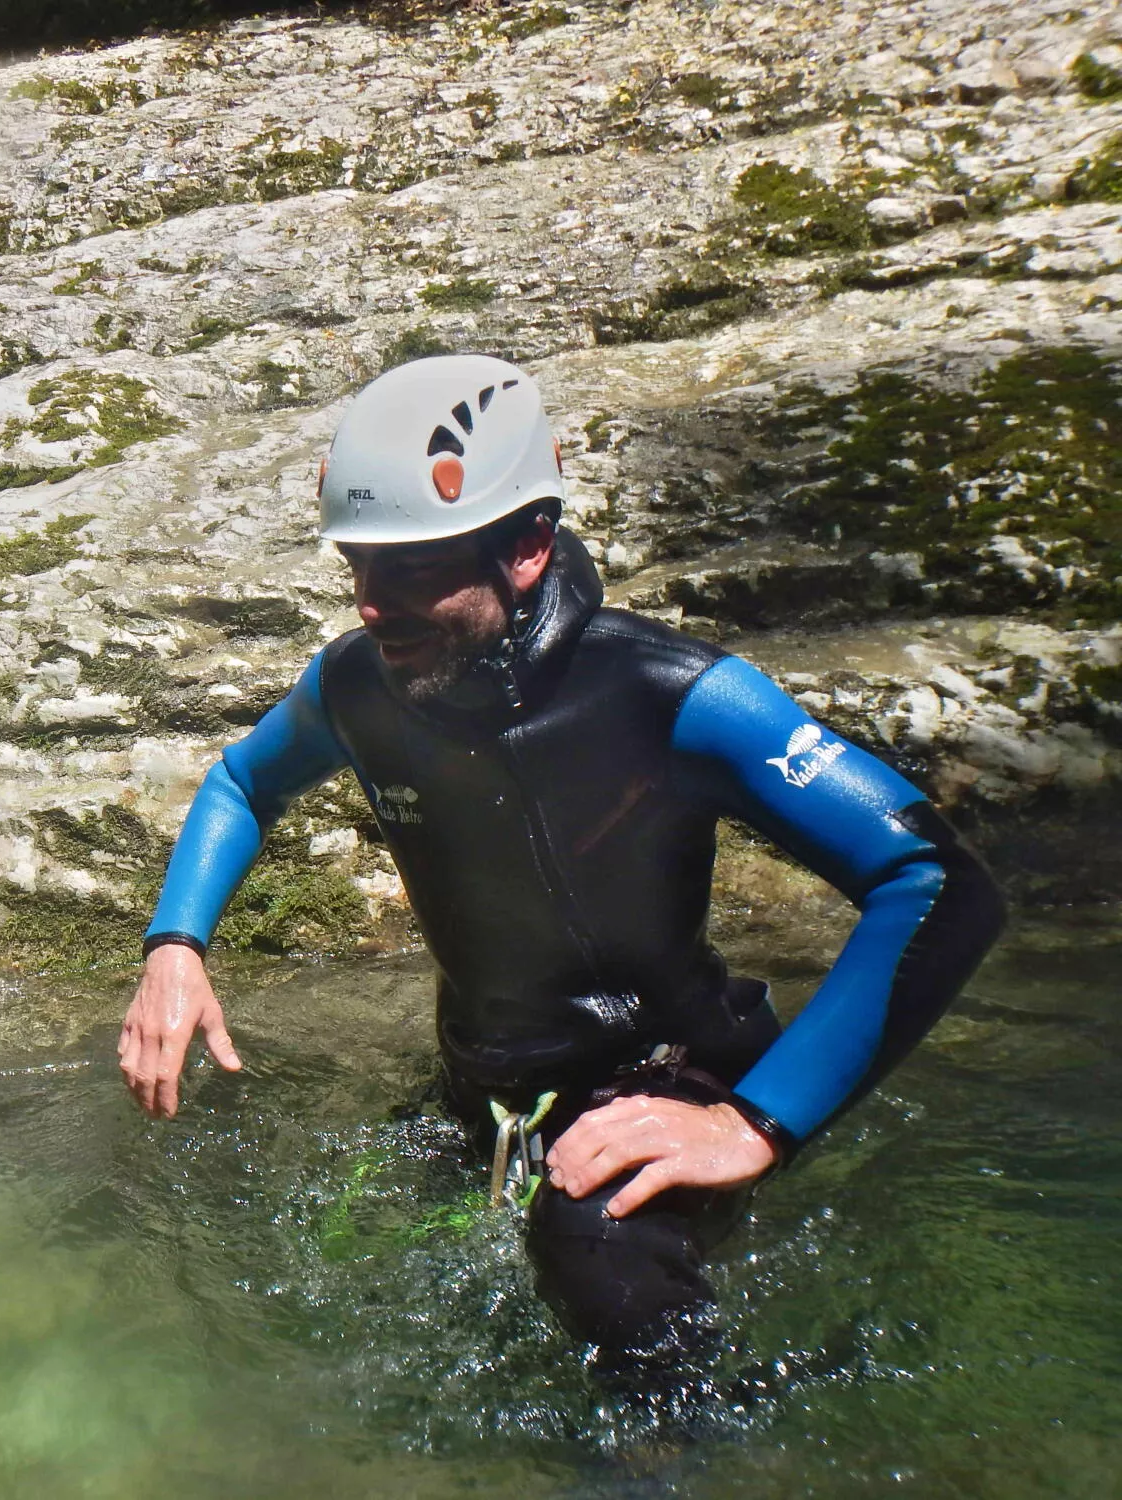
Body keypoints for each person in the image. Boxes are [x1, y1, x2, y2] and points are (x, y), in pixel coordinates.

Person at [116, 354, 1005, 1374]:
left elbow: (936, 883)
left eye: (407, 566)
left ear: (527, 547)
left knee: (609, 1298)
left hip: (665, 1080)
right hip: (483, 1082)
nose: (366, 602)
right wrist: (174, 947)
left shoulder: (672, 693)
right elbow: (240, 783)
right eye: (354, 564)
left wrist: (753, 1125)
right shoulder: (356, 688)